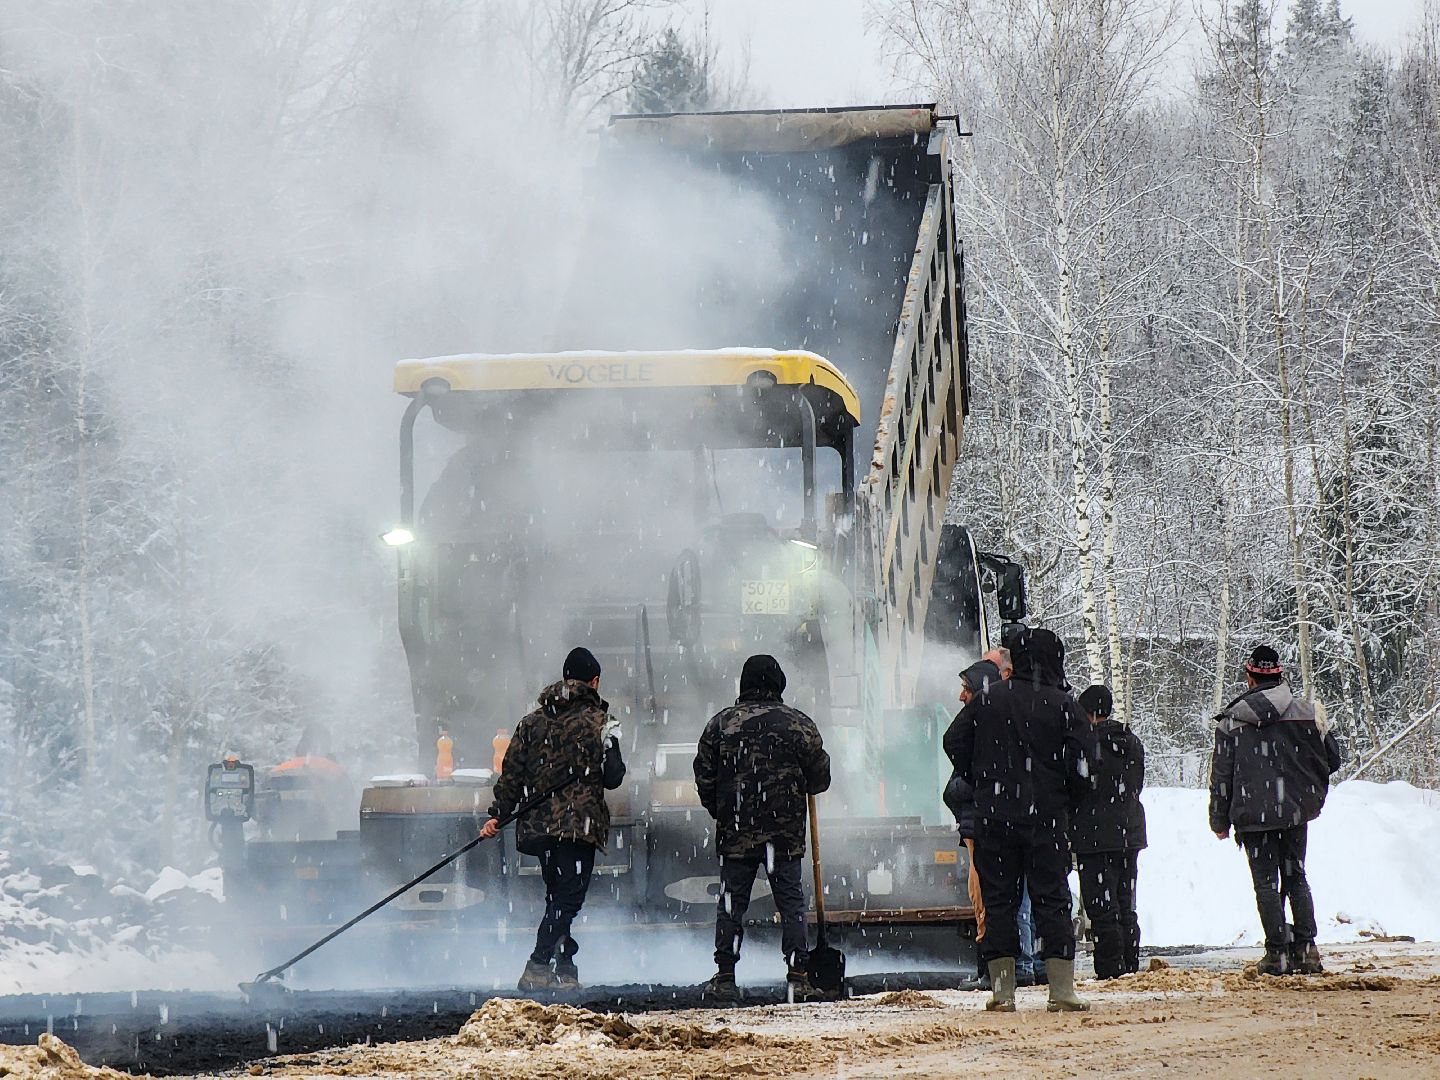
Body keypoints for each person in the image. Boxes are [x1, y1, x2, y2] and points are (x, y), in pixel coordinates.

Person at [947, 625, 1093, 1012]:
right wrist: (1065, 798)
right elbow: (1083, 763)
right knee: (1052, 898)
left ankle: (1002, 992)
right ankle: (1061, 992)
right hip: (1046, 819)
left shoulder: (988, 699)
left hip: (995, 817)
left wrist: (980, 777)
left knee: (999, 902)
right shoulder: (1064, 704)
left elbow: (953, 740)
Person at [480, 646, 626, 992]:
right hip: (579, 826)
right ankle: (538, 964)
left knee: (556, 896)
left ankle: (565, 966)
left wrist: (498, 815)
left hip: (540, 826)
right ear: (595, 681)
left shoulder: (531, 722)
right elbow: (614, 777)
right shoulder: (603, 723)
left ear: (564, 679)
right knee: (567, 900)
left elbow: (511, 774)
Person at [693, 655, 831, 1003]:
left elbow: (704, 776)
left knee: (730, 903)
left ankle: (725, 975)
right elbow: (820, 779)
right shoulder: (799, 725)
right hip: (784, 833)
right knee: (791, 902)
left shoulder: (720, 725)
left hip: (737, 830)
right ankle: (798, 975)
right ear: (778, 684)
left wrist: (723, 811)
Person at [1209, 645, 1341, 976]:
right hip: (1295, 813)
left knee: (1265, 883)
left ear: (1249, 677)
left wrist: (1219, 820)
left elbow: (1222, 776)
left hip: (1253, 818)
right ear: (1281, 675)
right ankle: (1307, 949)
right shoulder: (1307, 712)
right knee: (1296, 876)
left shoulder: (1232, 722)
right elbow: (1333, 759)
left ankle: (1277, 952)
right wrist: (1304, 789)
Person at [1071, 684, 1147, 978]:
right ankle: (1130, 963)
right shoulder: (1132, 742)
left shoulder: (1085, 745)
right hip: (1129, 829)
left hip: (1095, 835)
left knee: (1102, 907)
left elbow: (1076, 788)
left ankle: (1110, 968)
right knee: (1126, 901)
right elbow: (1136, 784)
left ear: (1087, 712)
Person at [943, 660, 1000, 982]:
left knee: (984, 899)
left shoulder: (981, 725)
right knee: (984, 897)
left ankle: (989, 970)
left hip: (980, 826)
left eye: (966, 689)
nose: (960, 697)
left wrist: (958, 786)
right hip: (978, 826)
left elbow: (953, 743)